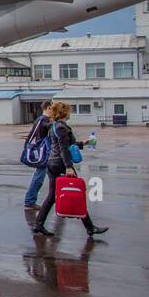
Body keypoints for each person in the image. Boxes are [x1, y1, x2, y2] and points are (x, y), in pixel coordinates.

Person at [32, 101, 108, 237]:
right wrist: (68, 167)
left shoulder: (55, 125)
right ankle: (90, 227)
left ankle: (38, 224)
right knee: (77, 193)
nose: (70, 113)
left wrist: (82, 143)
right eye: (68, 110)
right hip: (60, 164)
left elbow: (64, 143)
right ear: (64, 112)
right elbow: (63, 148)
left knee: (51, 196)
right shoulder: (62, 127)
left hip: (52, 163)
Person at [23, 101, 54, 208]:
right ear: (47, 108)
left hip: (41, 152)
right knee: (39, 177)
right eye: (51, 109)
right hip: (44, 153)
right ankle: (30, 201)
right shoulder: (44, 120)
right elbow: (48, 127)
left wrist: (26, 146)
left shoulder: (39, 120)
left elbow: (31, 134)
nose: (52, 111)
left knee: (42, 176)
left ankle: (30, 200)